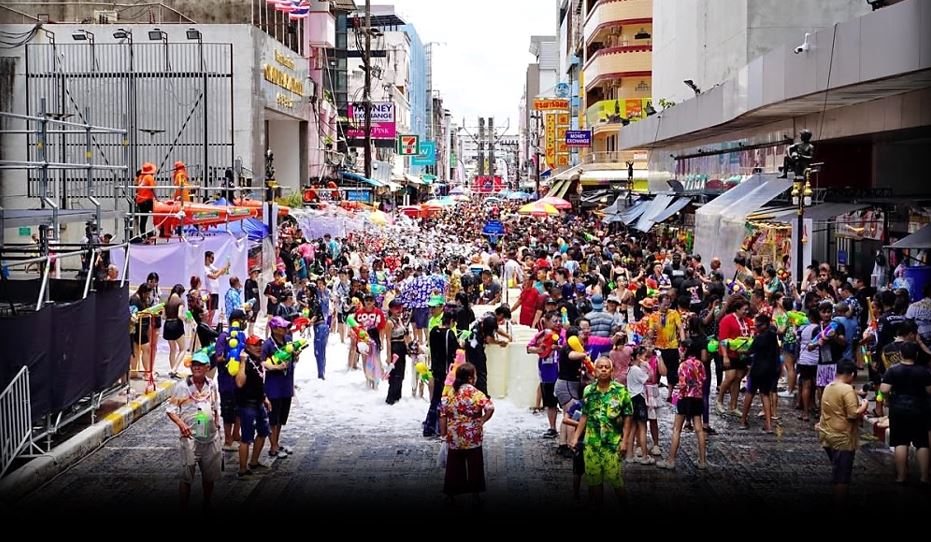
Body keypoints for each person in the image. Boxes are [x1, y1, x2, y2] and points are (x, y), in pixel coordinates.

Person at [569, 356, 633, 510]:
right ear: (595, 371)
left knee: (616, 479)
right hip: (591, 444)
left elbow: (628, 417)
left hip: (612, 444)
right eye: (600, 367)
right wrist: (576, 437)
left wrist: (625, 442)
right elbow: (584, 415)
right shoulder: (589, 391)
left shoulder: (621, 391)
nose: (603, 369)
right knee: (594, 481)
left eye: (606, 367)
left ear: (612, 371)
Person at [165, 351, 221, 511]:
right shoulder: (183, 387)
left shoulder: (211, 385)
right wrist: (181, 425)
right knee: (187, 475)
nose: (196, 367)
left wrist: (217, 425)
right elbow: (171, 409)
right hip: (191, 437)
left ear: (207, 367)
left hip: (209, 436)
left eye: (200, 365)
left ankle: (207, 503)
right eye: (194, 364)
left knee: (209, 475)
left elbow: (215, 406)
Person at [440, 362, 494, 505]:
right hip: (473, 435)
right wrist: (482, 420)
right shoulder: (476, 393)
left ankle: (451, 494)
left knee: (453, 466)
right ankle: (475, 495)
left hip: (455, 435)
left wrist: (444, 434)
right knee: (475, 465)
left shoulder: (450, 393)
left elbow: (443, 415)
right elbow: (490, 407)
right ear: (470, 378)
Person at [879, 341, 931, 485]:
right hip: (920, 409)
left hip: (898, 409)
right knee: (922, 443)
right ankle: (925, 477)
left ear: (901, 354)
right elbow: (929, 391)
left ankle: (901, 476)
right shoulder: (923, 371)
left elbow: (883, 389)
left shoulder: (893, 370)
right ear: (916, 355)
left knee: (901, 442)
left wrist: (887, 399)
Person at [818, 360, 868, 509]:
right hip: (843, 438)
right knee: (842, 476)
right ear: (852, 374)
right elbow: (853, 414)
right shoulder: (846, 389)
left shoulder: (828, 387)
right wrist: (864, 405)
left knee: (837, 470)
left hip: (828, 435)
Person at [658, 340, 708, 470]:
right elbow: (703, 379)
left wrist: (674, 399)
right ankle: (702, 461)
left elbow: (682, 385)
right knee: (699, 429)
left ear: (684, 349)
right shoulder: (700, 364)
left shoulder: (682, 365)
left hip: (684, 398)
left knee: (676, 429)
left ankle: (671, 460)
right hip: (697, 398)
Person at [235, 334, 271, 478]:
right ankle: (242, 470)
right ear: (247, 347)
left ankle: (254, 462)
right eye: (255, 345)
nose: (258, 347)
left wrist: (265, 398)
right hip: (246, 404)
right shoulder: (244, 361)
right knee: (246, 438)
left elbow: (259, 382)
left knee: (263, 432)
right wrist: (242, 362)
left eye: (260, 344)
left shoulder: (257, 360)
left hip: (258, 402)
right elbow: (239, 383)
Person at [262, 317, 297, 459]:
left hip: (286, 383)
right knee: (273, 418)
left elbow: (293, 358)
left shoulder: (288, 340)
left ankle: (276, 442)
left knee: (282, 417)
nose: (285, 330)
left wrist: (295, 356)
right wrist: (275, 367)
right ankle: (273, 446)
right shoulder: (267, 344)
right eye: (282, 327)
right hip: (273, 386)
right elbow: (262, 362)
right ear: (275, 329)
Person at [740, 314, 779, 432]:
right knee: (765, 395)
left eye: (758, 324)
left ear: (764, 325)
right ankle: (769, 425)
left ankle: (743, 421)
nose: (756, 326)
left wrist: (739, 351)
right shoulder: (773, 336)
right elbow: (777, 351)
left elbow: (749, 351)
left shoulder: (759, 338)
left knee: (750, 393)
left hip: (757, 369)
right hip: (769, 370)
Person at [424, 310, 460, 437]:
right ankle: (439, 428)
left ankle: (429, 425)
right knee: (442, 400)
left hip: (435, 369)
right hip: (446, 371)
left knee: (436, 398)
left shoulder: (433, 330)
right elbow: (455, 351)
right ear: (451, 321)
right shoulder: (449, 333)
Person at [464, 306, 510, 395]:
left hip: (470, 343)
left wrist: (507, 336)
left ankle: (472, 393)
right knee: (481, 372)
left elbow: (495, 329)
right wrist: (500, 342)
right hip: (476, 346)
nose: (502, 321)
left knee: (472, 370)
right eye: (503, 318)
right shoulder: (491, 320)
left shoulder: (488, 315)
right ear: (501, 315)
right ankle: (482, 395)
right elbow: (489, 339)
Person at [385, 299, 412, 405]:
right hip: (395, 347)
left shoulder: (400, 320)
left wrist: (408, 348)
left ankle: (398, 396)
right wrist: (388, 355)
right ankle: (391, 397)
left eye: (400, 308)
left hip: (401, 346)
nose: (399, 310)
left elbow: (405, 335)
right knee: (394, 374)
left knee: (401, 373)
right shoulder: (389, 322)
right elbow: (387, 339)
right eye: (396, 308)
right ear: (391, 309)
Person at [163, 284, 188, 379]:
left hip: (167, 325)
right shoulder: (180, 301)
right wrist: (186, 319)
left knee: (172, 349)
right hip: (176, 325)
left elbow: (164, 316)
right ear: (181, 292)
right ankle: (174, 369)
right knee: (183, 349)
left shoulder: (167, 301)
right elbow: (180, 315)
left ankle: (173, 369)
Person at [204, 251, 230, 327]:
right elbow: (214, 276)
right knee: (209, 312)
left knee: (213, 312)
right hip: (210, 292)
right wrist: (221, 271)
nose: (213, 259)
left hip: (215, 292)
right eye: (212, 257)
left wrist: (226, 268)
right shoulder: (205, 268)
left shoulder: (211, 267)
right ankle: (207, 328)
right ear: (207, 258)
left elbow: (220, 273)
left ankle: (209, 327)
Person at [135, 162, 156, 240]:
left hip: (140, 200)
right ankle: (161, 230)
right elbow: (152, 188)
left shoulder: (140, 177)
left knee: (143, 219)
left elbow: (136, 187)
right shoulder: (149, 177)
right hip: (147, 200)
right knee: (159, 213)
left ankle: (143, 236)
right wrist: (157, 199)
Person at [243, 268, 261, 336]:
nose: (256, 275)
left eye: (257, 273)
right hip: (251, 306)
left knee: (253, 323)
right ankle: (250, 336)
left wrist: (258, 306)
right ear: (251, 273)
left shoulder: (255, 283)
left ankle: (252, 335)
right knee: (250, 323)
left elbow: (257, 295)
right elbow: (247, 295)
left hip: (256, 306)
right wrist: (248, 307)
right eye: (255, 273)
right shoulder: (248, 282)